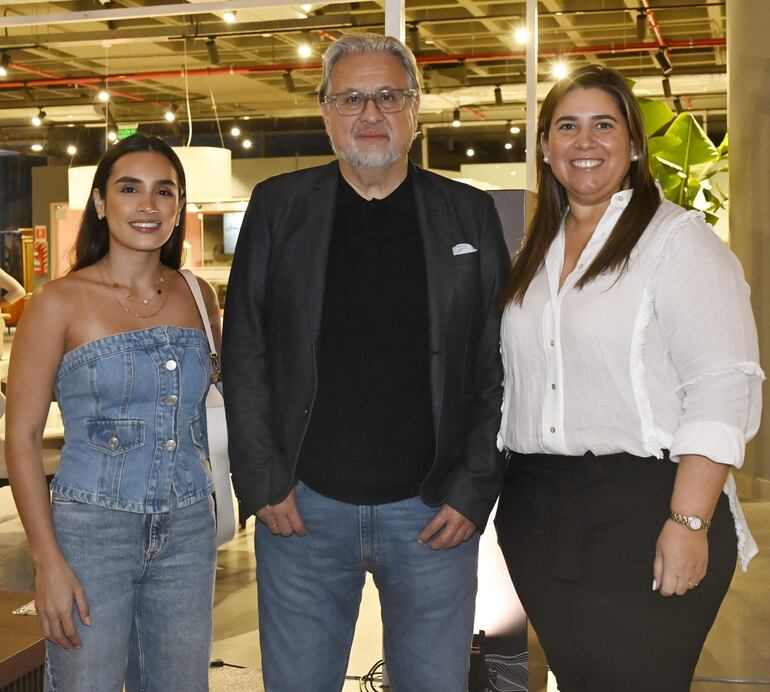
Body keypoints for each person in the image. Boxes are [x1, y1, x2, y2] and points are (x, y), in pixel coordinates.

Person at [222, 32, 510, 692]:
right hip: (302, 509)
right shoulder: (278, 207)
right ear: (325, 112)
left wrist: (473, 488)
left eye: (388, 96)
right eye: (351, 98)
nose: (371, 115)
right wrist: (264, 479)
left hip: (433, 514)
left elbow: (498, 363)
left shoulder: (466, 211)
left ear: (415, 109)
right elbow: (246, 352)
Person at [495, 65, 763, 691]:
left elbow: (723, 385)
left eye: (603, 126)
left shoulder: (679, 243)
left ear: (634, 144)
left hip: (648, 507)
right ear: (544, 146)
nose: (584, 142)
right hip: (540, 509)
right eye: (567, 126)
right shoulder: (531, 255)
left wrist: (690, 521)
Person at [5, 133, 221, 692]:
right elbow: (22, 437)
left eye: (163, 191)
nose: (147, 206)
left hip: (188, 529)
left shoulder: (200, 297)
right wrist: (46, 561)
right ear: (101, 202)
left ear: (179, 207)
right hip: (90, 534)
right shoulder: (58, 301)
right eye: (129, 189)